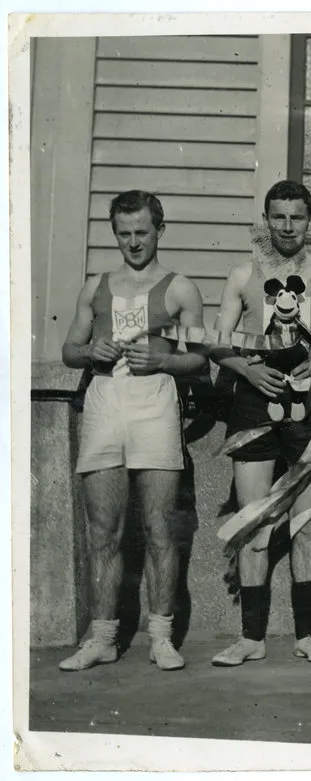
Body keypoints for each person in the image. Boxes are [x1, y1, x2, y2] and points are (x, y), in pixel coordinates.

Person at [59, 190, 207, 672]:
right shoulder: (95, 286)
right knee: (104, 529)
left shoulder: (180, 288)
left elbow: (200, 358)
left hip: (156, 402)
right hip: (105, 402)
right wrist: (91, 351)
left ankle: (161, 637)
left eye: (142, 232)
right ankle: (102, 638)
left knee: (160, 528)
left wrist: (164, 361)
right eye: (124, 234)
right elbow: (70, 350)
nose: (134, 242)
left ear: (160, 230)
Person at [210, 180, 311, 667]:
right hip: (255, 405)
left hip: (310, 409)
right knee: (254, 522)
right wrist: (247, 370)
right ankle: (251, 637)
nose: (287, 227)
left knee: (306, 525)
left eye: (296, 217)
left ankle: (307, 634)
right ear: (266, 220)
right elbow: (218, 343)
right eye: (278, 217)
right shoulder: (243, 275)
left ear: (310, 220)